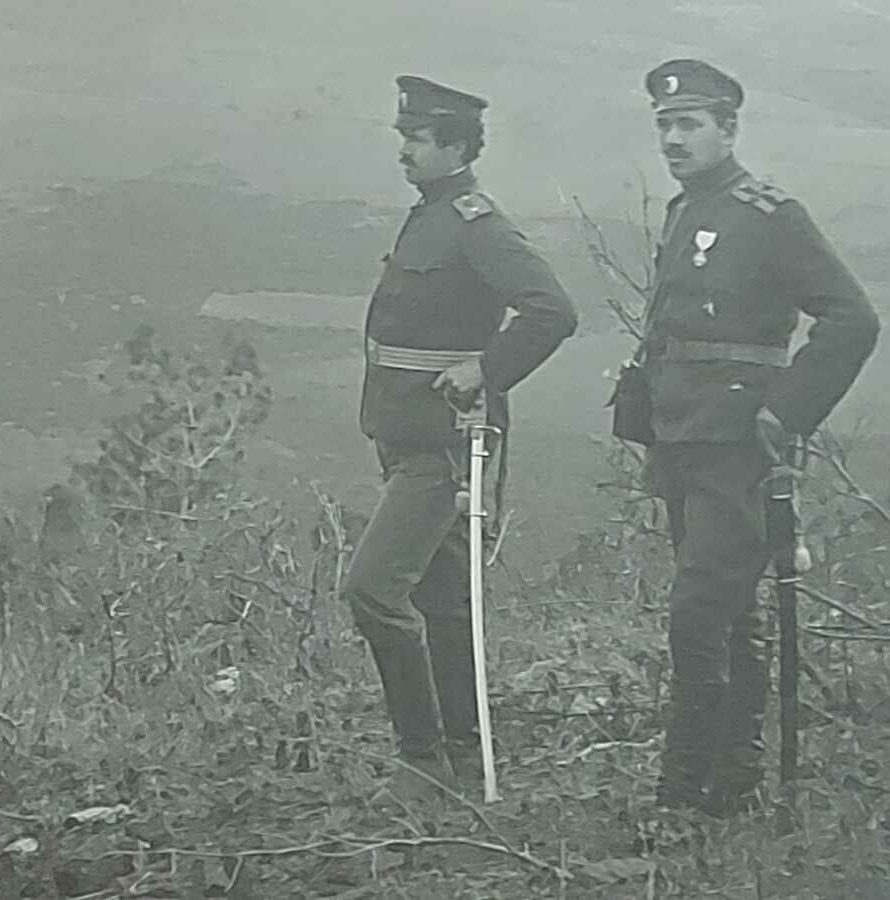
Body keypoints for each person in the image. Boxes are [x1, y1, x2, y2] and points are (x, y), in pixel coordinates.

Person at [634, 60, 879, 815]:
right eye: (665, 125)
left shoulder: (769, 214)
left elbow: (853, 319)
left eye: (690, 124)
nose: (674, 139)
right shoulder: (686, 209)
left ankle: (680, 796)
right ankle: (732, 783)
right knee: (732, 616)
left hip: (740, 446)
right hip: (683, 440)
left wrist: (784, 413)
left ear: (729, 130)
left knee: (698, 615)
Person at [342, 75, 578, 802]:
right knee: (443, 601)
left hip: (445, 445)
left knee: (373, 591)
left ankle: (420, 758)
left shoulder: (476, 223)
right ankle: (461, 756)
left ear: (454, 145)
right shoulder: (430, 216)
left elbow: (551, 310)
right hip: (406, 436)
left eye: (416, 140)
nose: (404, 152)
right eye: (405, 138)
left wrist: (488, 369)